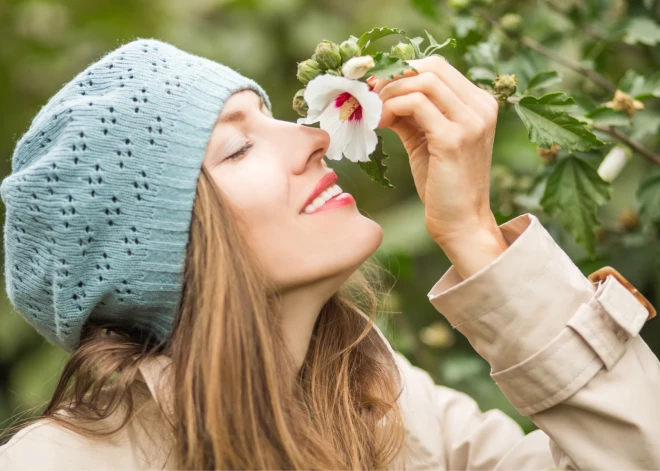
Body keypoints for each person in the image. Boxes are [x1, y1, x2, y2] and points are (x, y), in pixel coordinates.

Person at [0, 37, 658, 471]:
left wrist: (477, 238)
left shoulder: (388, 406)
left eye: (271, 116)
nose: (313, 137)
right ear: (166, 251)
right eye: (237, 146)